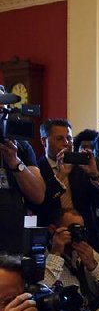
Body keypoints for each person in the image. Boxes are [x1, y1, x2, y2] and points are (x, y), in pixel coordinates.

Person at [31, 119, 99, 251]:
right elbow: (39, 206)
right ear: (44, 141)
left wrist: (95, 176)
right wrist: (60, 177)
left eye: (69, 138)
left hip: (85, 237)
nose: (66, 143)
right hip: (51, 240)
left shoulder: (83, 167)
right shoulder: (35, 170)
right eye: (59, 139)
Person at [44, 208, 99, 311]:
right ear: (53, 230)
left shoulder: (87, 252)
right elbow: (44, 289)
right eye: (72, 230)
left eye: (81, 230)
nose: (77, 235)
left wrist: (93, 266)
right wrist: (56, 254)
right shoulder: (42, 257)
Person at [0, 93, 45, 253]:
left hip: (14, 242)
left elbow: (38, 195)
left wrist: (14, 162)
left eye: (3, 112)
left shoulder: (21, 147)